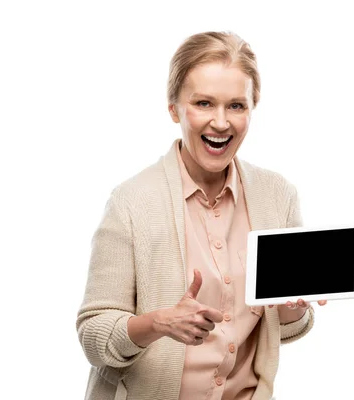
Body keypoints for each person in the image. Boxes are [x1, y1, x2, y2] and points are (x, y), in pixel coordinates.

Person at [76, 31, 327, 400]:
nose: (221, 122)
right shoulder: (131, 202)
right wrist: (159, 323)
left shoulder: (277, 196)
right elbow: (93, 337)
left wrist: (290, 310)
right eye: (204, 103)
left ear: (252, 108)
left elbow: (283, 328)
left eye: (236, 106)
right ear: (174, 108)